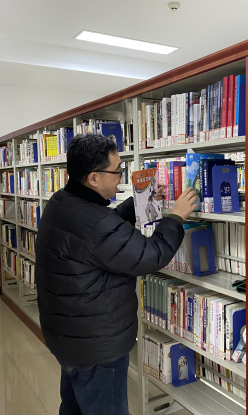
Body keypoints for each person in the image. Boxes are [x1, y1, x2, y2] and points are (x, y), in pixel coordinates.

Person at [35, 133, 198, 415]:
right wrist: (176, 217)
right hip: (97, 347)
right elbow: (150, 255)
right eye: (117, 171)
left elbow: (101, 235)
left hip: (67, 338)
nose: (121, 178)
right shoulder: (97, 223)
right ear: (94, 178)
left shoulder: (61, 201)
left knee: (73, 407)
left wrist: (136, 204)